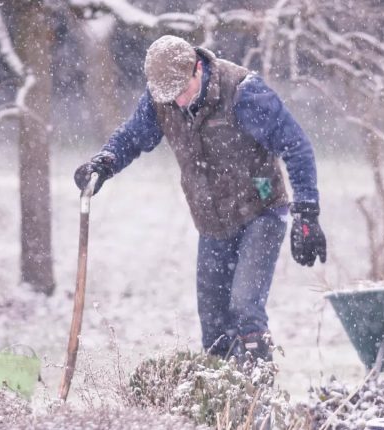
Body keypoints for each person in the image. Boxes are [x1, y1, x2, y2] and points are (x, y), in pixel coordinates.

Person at [74, 35, 326, 362]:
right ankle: (224, 406)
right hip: (212, 222)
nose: (178, 102)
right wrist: (104, 163)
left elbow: (296, 145)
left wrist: (306, 212)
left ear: (197, 69)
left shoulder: (243, 92)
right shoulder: (160, 99)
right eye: (169, 97)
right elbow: (133, 137)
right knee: (214, 330)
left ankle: (259, 404)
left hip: (261, 209)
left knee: (245, 307)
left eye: (182, 91)